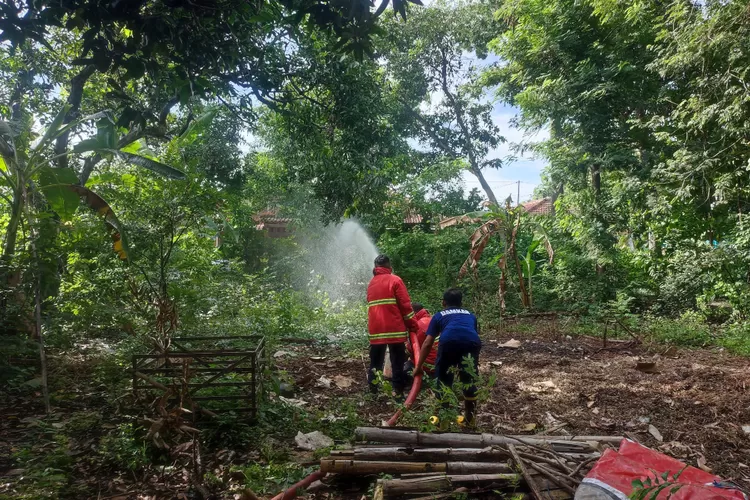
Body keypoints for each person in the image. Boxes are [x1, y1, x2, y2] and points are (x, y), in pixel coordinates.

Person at [413, 288, 481, 426]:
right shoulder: (471, 315)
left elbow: (427, 343)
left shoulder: (439, 316)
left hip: (449, 343)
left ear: (444, 302)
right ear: (461, 302)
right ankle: (470, 419)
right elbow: (470, 334)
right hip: (472, 343)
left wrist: (418, 366)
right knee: (469, 380)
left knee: (443, 380)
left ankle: (443, 421)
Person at [366, 254, 418, 397]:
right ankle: (398, 392)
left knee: (375, 362)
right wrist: (413, 325)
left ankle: (373, 391)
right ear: (389, 266)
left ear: (376, 267)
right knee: (397, 362)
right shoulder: (396, 280)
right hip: (394, 330)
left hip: (376, 331)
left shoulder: (371, 283)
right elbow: (406, 307)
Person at [405, 302, 438, 376]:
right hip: (439, 362)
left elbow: (413, 349)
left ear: (413, 313)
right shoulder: (431, 319)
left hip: (427, 364)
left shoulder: (419, 325)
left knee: (404, 369)